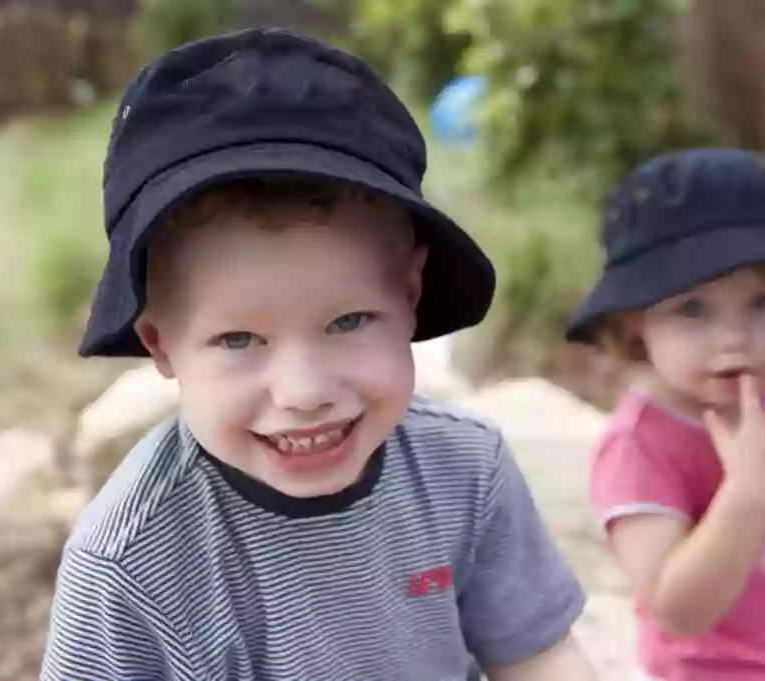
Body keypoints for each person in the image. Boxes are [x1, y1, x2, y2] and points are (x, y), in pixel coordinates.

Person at [40, 26, 598, 681]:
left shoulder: (465, 471)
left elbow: (538, 657)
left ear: (410, 294)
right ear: (160, 343)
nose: (303, 390)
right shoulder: (128, 564)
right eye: (239, 339)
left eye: (349, 320)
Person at [565, 147, 765, 681]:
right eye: (692, 309)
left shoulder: (756, 389)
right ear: (633, 323)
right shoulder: (640, 446)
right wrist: (746, 494)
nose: (734, 338)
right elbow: (673, 608)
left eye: (764, 301)